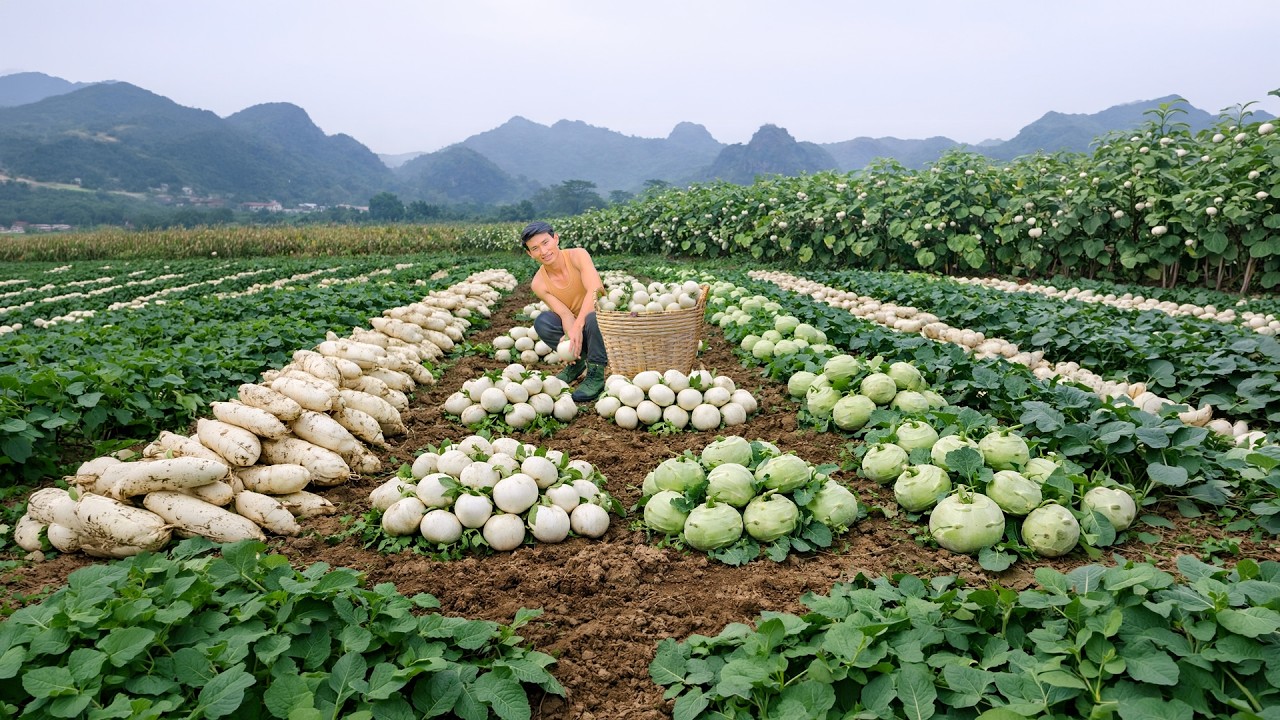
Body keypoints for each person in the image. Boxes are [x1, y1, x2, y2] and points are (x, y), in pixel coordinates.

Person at [520, 221, 608, 402]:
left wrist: (577, 326)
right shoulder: (539, 283)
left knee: (592, 318)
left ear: (556, 239)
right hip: (579, 325)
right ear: (530, 254)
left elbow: (595, 290)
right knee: (543, 321)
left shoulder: (578, 255)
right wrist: (569, 339)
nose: (543, 252)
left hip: (603, 323)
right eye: (535, 248)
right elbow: (565, 314)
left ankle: (595, 373)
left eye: (545, 243)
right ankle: (577, 361)